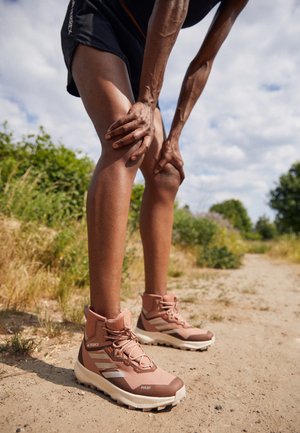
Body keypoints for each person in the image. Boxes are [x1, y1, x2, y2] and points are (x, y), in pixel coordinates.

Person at [61, 0, 248, 410]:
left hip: (143, 50)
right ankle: (101, 340)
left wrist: (175, 134)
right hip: (99, 16)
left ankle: (156, 312)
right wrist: (146, 99)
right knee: (128, 140)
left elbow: (203, 60)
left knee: (166, 173)